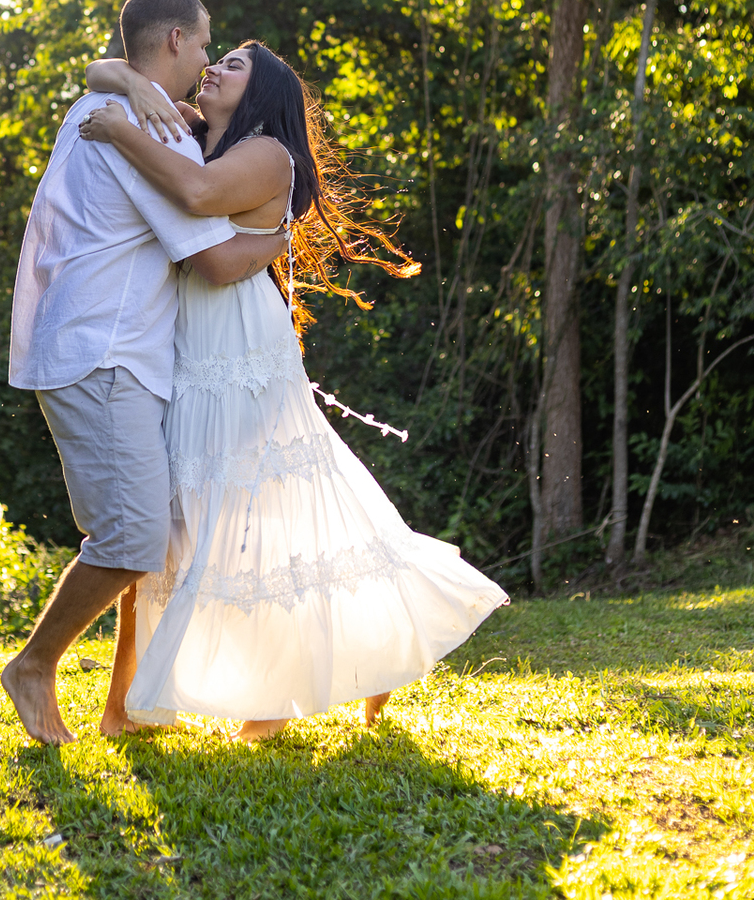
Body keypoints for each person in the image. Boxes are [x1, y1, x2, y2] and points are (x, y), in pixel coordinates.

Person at [79, 39, 509, 741]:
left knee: (257, 517)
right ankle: (128, 707)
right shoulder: (188, 132)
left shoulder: (268, 154)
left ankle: (271, 699)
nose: (215, 68)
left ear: (261, 95)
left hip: (241, 351)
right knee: (174, 527)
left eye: (235, 67)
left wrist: (122, 127)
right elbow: (100, 72)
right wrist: (127, 83)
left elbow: (195, 201)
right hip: (186, 347)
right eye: (216, 60)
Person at [1, 0, 287, 746]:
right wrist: (280, 240)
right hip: (104, 355)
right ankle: (34, 665)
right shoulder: (148, 127)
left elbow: (107, 74)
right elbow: (216, 260)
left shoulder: (107, 104)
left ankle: (129, 706)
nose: (204, 58)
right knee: (132, 539)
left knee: (159, 537)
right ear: (171, 44)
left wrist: (119, 75)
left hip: (106, 351)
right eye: (201, 44)